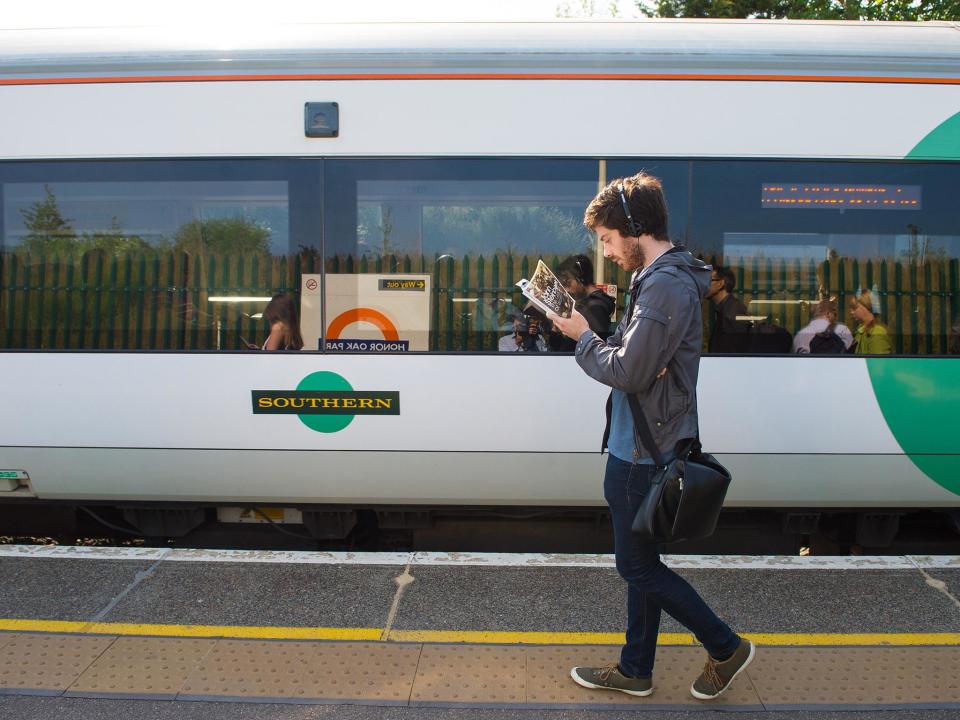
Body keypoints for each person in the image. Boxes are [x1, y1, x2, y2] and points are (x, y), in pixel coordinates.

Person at [550, 172, 754, 702]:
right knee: (645, 564)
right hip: (644, 443)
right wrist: (612, 343)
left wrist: (582, 338)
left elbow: (630, 371)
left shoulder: (663, 284)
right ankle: (635, 668)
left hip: (643, 451)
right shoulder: (663, 278)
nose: (607, 251)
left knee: (635, 564)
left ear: (634, 228)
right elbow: (634, 359)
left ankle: (725, 645)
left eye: (608, 240)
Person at [705, 266, 749, 353]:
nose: (703, 284)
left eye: (708, 280)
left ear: (720, 284)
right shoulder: (728, 308)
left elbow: (735, 350)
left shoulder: (732, 312)